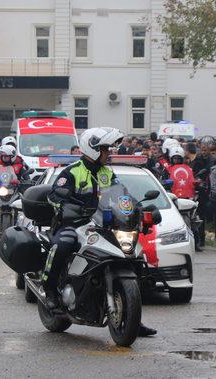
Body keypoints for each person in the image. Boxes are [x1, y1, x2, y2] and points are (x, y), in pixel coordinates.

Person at [45, 127, 157, 337]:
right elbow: (54, 196)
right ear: (93, 149)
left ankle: (133, 318)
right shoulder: (71, 172)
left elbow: (122, 195)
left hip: (101, 225)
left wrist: (137, 208)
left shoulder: (107, 173)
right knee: (63, 244)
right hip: (74, 224)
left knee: (133, 259)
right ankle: (50, 290)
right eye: (105, 149)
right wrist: (66, 206)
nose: (109, 153)